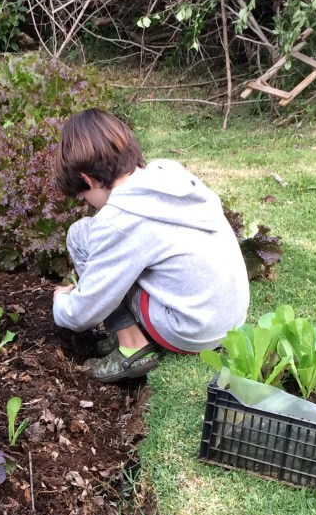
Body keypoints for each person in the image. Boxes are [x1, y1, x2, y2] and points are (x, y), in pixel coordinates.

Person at [51, 108, 250, 383]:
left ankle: (133, 347)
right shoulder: (169, 174)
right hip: (230, 321)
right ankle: (137, 333)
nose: (87, 202)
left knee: (80, 235)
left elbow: (84, 312)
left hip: (190, 331)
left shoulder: (119, 221)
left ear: (88, 179)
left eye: (83, 194)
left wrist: (61, 302)